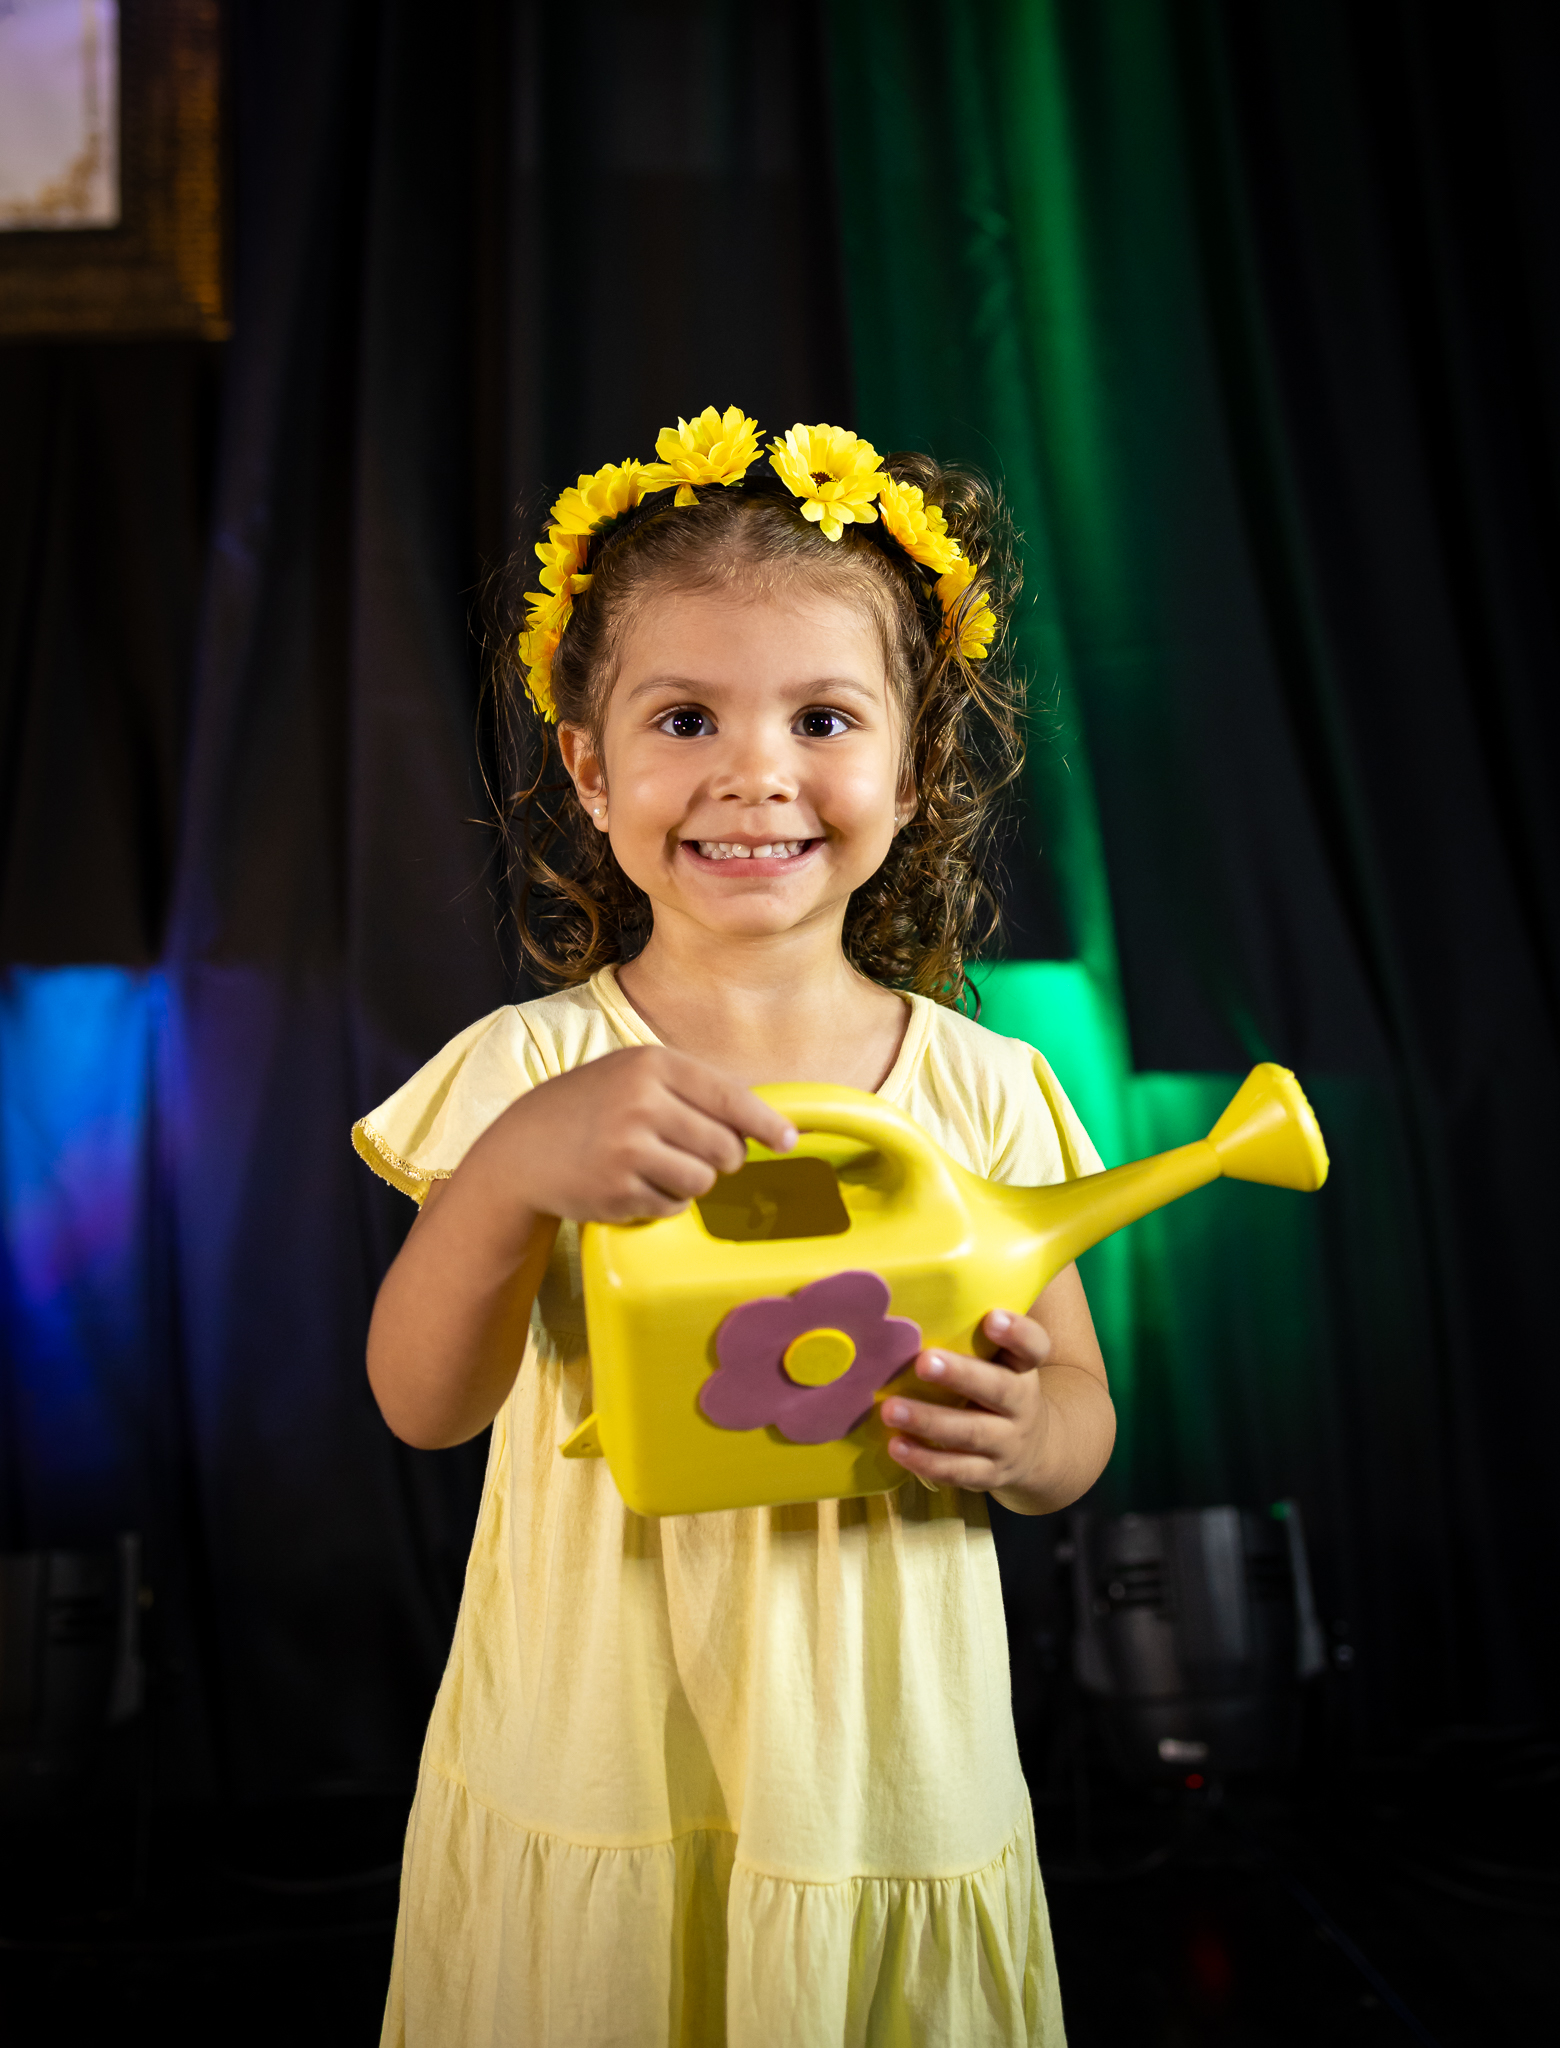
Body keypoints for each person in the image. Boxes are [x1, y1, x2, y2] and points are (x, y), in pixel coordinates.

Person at [355, 408, 1116, 2047]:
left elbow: (1077, 1423)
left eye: (822, 719)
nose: (754, 772)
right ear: (590, 767)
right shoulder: (526, 1073)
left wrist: (1027, 1434)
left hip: (885, 1778)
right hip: (596, 1757)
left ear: (909, 769)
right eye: (685, 717)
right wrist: (512, 1173)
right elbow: (423, 1404)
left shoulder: (986, 1087)